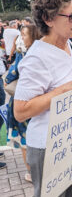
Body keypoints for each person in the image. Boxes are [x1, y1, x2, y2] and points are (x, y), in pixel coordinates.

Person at [13, 0, 72, 197]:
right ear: (48, 19)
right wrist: (66, 88)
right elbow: (21, 111)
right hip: (48, 148)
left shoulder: (69, 45)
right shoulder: (37, 58)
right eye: (70, 16)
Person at [6, 24, 41, 183]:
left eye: (24, 35)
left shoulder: (24, 54)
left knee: (25, 140)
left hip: (23, 103)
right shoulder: (43, 53)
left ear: (32, 36)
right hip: (39, 103)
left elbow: (10, 76)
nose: (21, 38)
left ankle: (32, 173)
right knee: (39, 138)